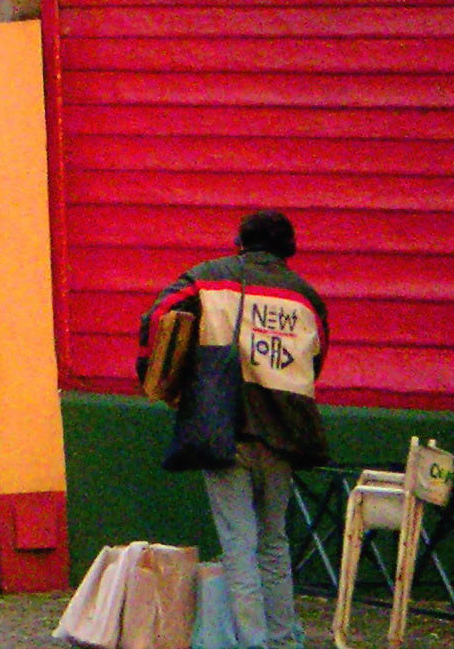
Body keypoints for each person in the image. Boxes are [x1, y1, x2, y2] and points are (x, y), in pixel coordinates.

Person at [140, 210, 328, 649]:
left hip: (225, 425)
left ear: (240, 241)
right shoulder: (307, 298)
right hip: (284, 430)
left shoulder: (208, 279)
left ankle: (252, 642)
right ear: (288, 247)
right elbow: (315, 360)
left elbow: (159, 316)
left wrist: (158, 374)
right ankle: (284, 640)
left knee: (238, 543)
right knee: (274, 542)